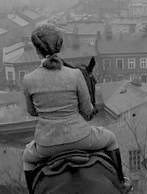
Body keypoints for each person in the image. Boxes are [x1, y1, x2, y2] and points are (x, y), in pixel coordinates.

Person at [22, 24, 131, 193]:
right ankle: (122, 182)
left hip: (46, 144)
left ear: (37, 50)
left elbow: (31, 112)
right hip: (80, 137)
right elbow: (87, 111)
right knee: (111, 138)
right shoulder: (75, 75)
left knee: (27, 159)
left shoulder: (28, 79)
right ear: (59, 46)